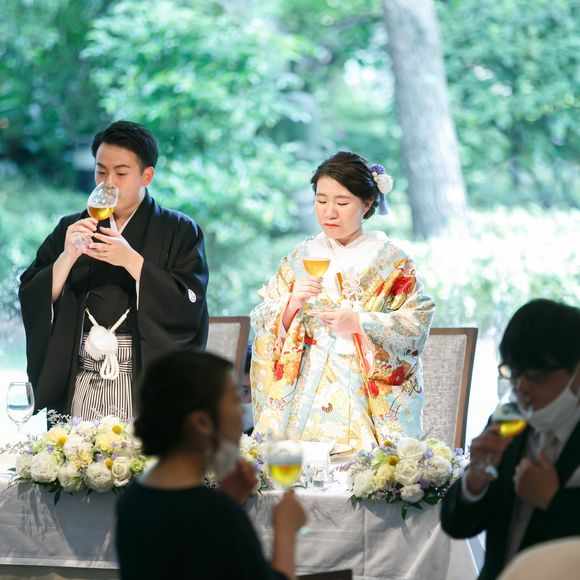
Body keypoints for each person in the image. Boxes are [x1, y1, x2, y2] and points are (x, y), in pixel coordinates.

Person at [19, 121, 209, 420]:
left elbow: (190, 305)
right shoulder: (73, 228)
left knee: (135, 450)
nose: (108, 183)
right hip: (81, 374)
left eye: (121, 173)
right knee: (77, 448)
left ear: (147, 176)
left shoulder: (181, 230)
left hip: (142, 380)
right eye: (100, 171)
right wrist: (67, 257)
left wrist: (133, 262)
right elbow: (32, 294)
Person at [250, 151, 435, 450]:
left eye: (342, 202)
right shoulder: (300, 257)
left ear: (367, 203)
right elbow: (261, 317)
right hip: (302, 389)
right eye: (321, 201)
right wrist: (290, 305)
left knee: (364, 467)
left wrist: (361, 323)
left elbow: (416, 323)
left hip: (362, 393)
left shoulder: (392, 262)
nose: (329, 213)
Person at [116, 350, 306, 580]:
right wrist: (285, 529)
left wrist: (230, 498)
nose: (242, 412)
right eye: (235, 401)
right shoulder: (216, 514)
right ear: (201, 422)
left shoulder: (134, 499)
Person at [441, 299, 580, 580]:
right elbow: (457, 525)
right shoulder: (507, 421)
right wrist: (474, 482)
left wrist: (551, 500)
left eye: (537, 375)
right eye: (514, 372)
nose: (522, 386)